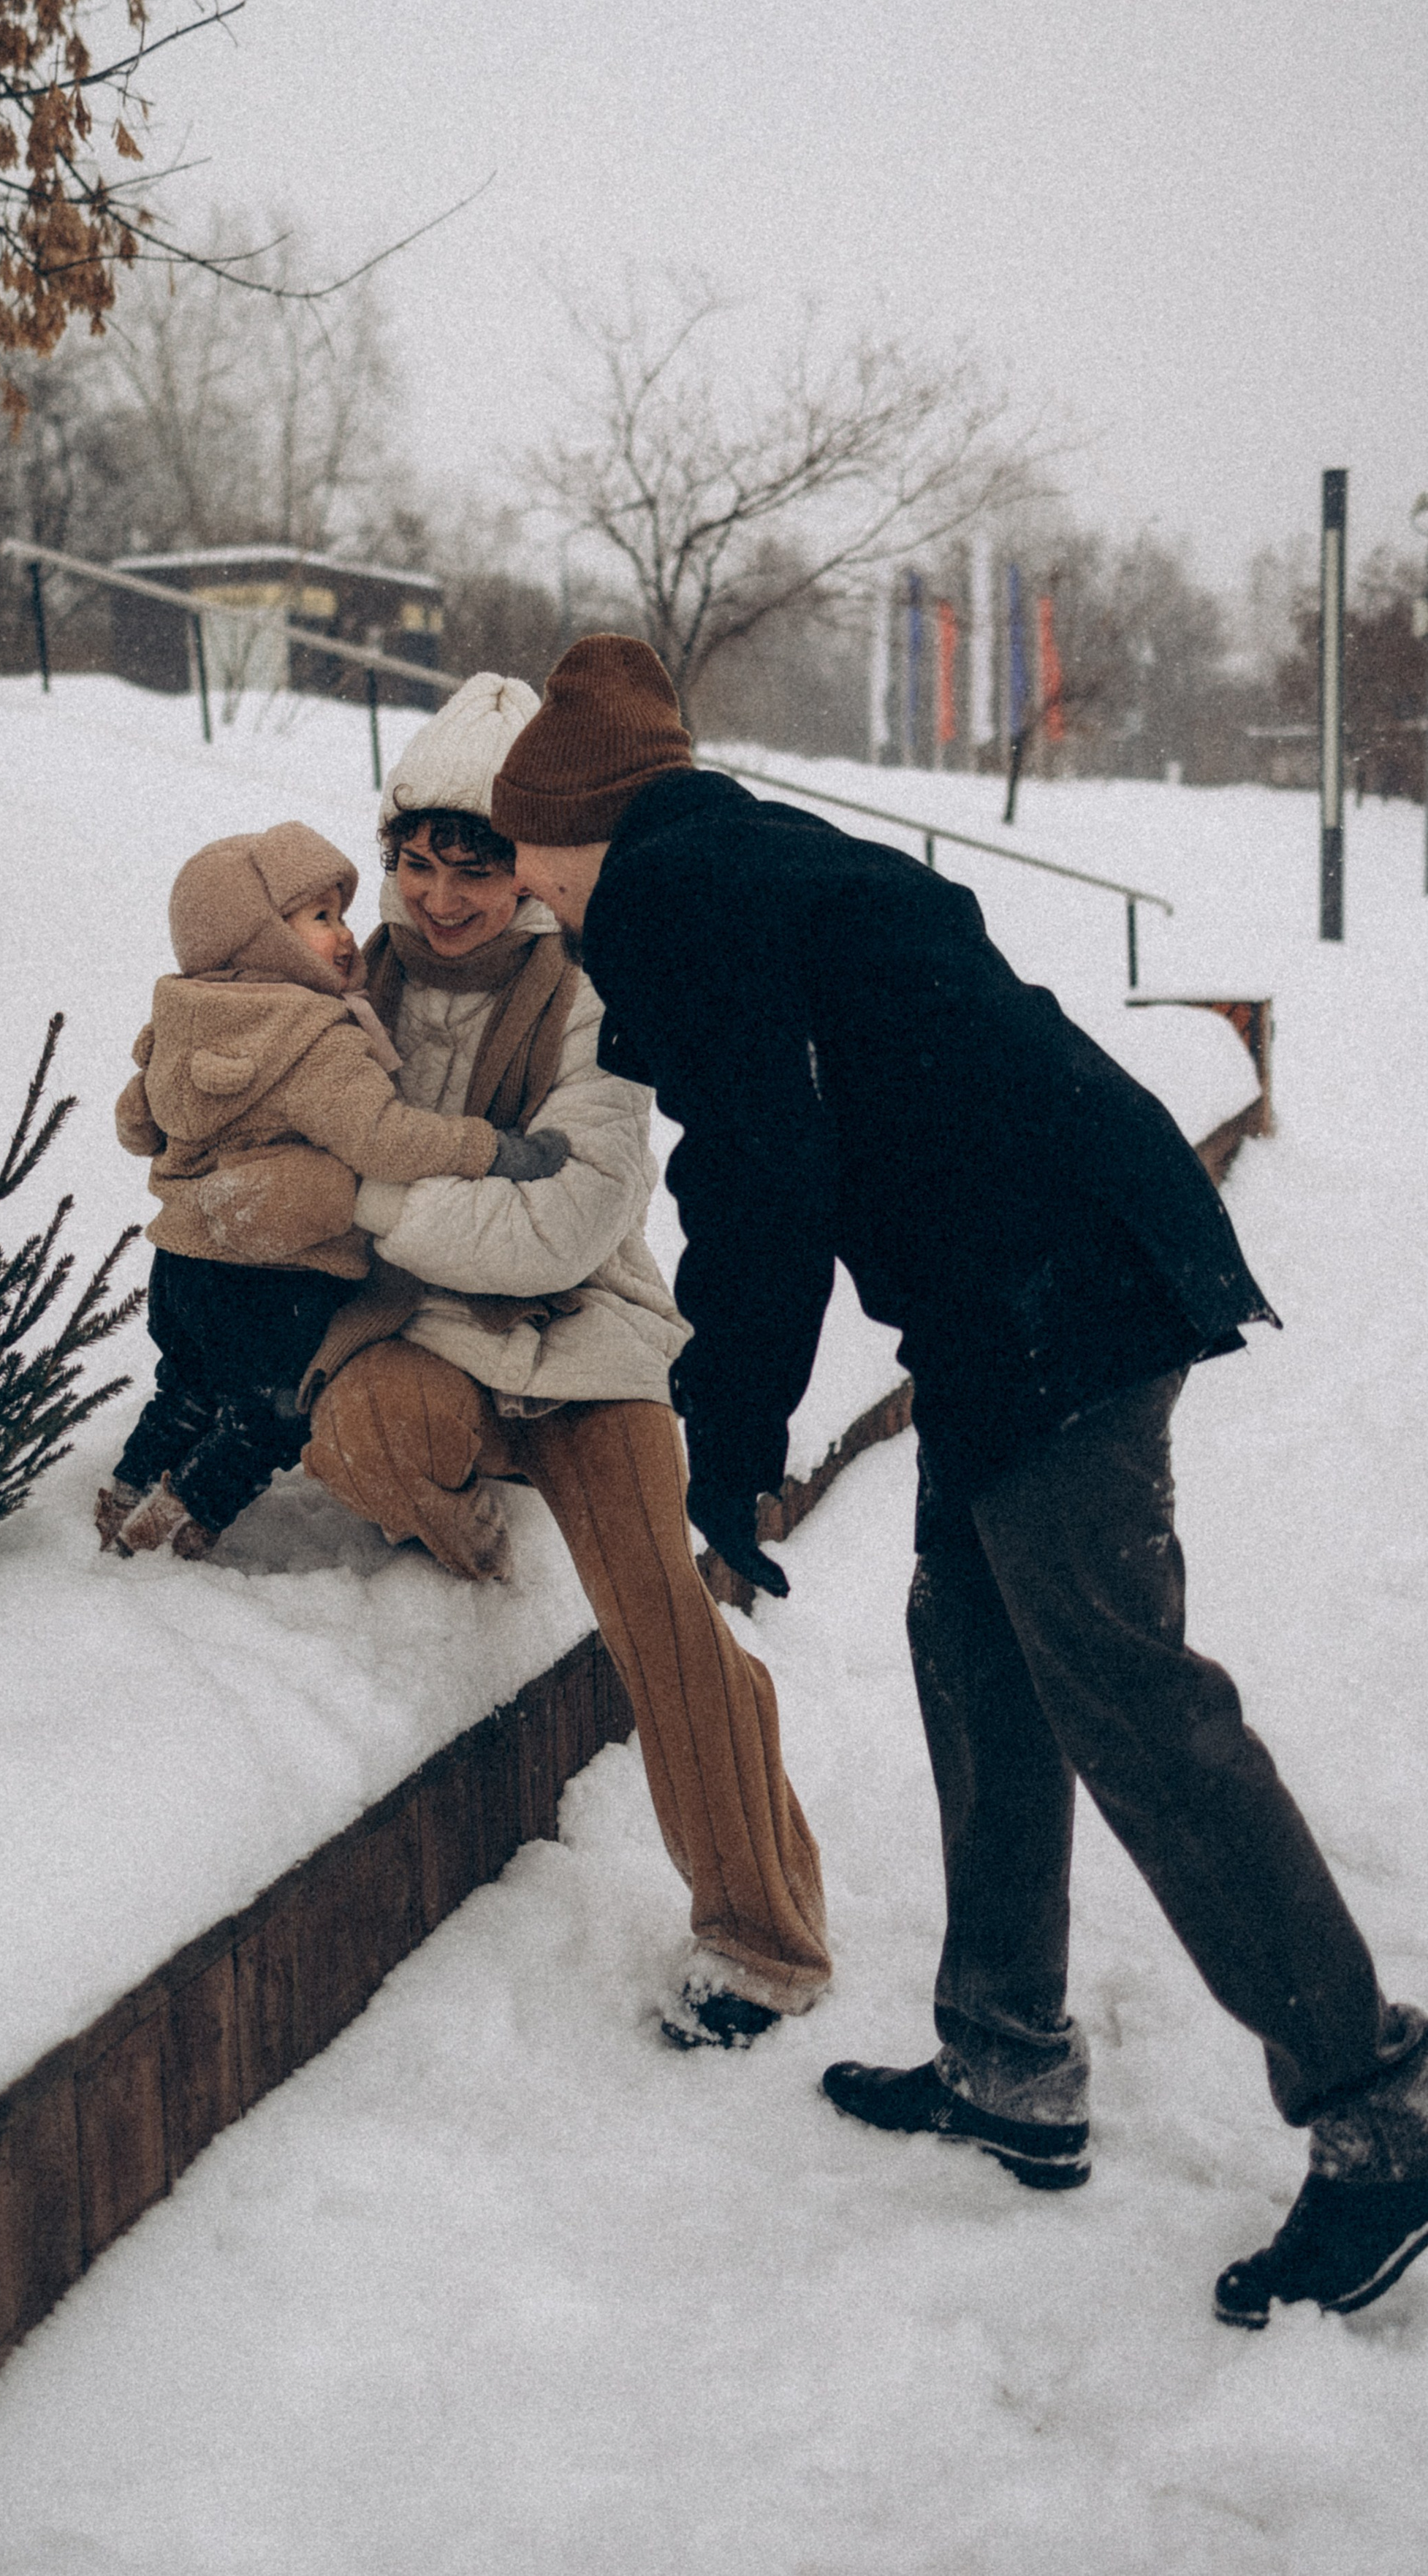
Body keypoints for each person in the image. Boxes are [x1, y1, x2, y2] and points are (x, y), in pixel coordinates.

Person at [488, 629, 1428, 2327]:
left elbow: (759, 1176)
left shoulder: (675, 892)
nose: (525, 888)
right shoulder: (744, 855)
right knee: (970, 1645)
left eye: (525, 851)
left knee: (1125, 1694)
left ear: (580, 821)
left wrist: (732, 1445)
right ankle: (1006, 2058)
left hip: (1055, 1287)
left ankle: (1378, 2105)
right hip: (1029, 1275)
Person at [295, 672, 835, 2048]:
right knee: (357, 1435)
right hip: (422, 1337)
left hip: (590, 1343)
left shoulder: (600, 989)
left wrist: (371, 1203)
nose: (440, 898)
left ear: (523, 874)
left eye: (472, 869)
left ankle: (761, 1943)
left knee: (662, 1622)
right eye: (416, 864)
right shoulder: (348, 990)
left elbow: (567, 1224)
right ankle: (475, 1532)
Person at [99, 820, 566, 1562]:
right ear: (260, 938)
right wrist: (488, 1146)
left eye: (341, 914)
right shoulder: (315, 1035)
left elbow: (136, 1123)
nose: (347, 935)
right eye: (319, 918)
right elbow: (383, 1138)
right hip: (277, 1280)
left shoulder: (181, 1012)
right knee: (271, 1415)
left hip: (180, 1266)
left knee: (186, 1389)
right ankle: (173, 1529)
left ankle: (121, 1499)